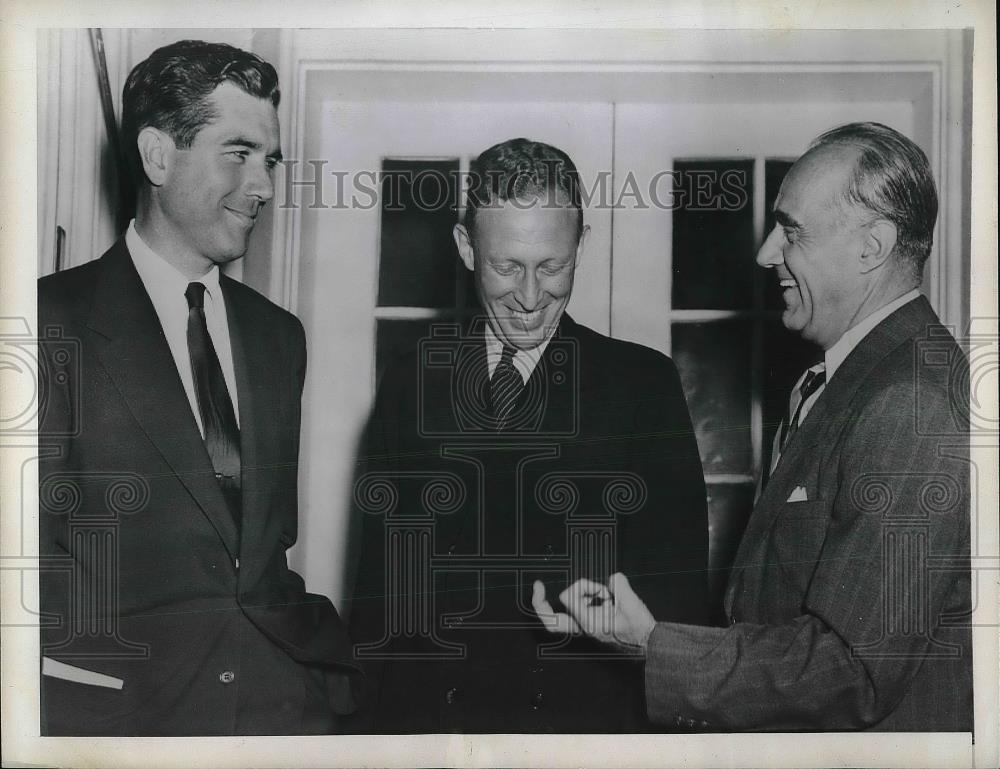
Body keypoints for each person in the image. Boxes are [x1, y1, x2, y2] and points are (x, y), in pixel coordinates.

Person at [534, 122, 972, 732]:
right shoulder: (850, 379)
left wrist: (653, 646)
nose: (767, 253)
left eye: (791, 230)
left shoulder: (911, 405)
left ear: (873, 247)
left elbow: (854, 671)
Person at [37, 40, 360, 735]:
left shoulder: (280, 338)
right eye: (238, 153)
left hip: (279, 715)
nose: (265, 185)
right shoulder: (44, 322)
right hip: (120, 720)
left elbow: (265, 548)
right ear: (158, 156)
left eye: (268, 160)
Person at [345, 138, 709, 733]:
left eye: (552, 266)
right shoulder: (412, 379)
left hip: (578, 730)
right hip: (431, 726)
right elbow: (376, 590)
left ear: (581, 246)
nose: (531, 297)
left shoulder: (643, 383)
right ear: (466, 248)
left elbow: (679, 597)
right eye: (507, 266)